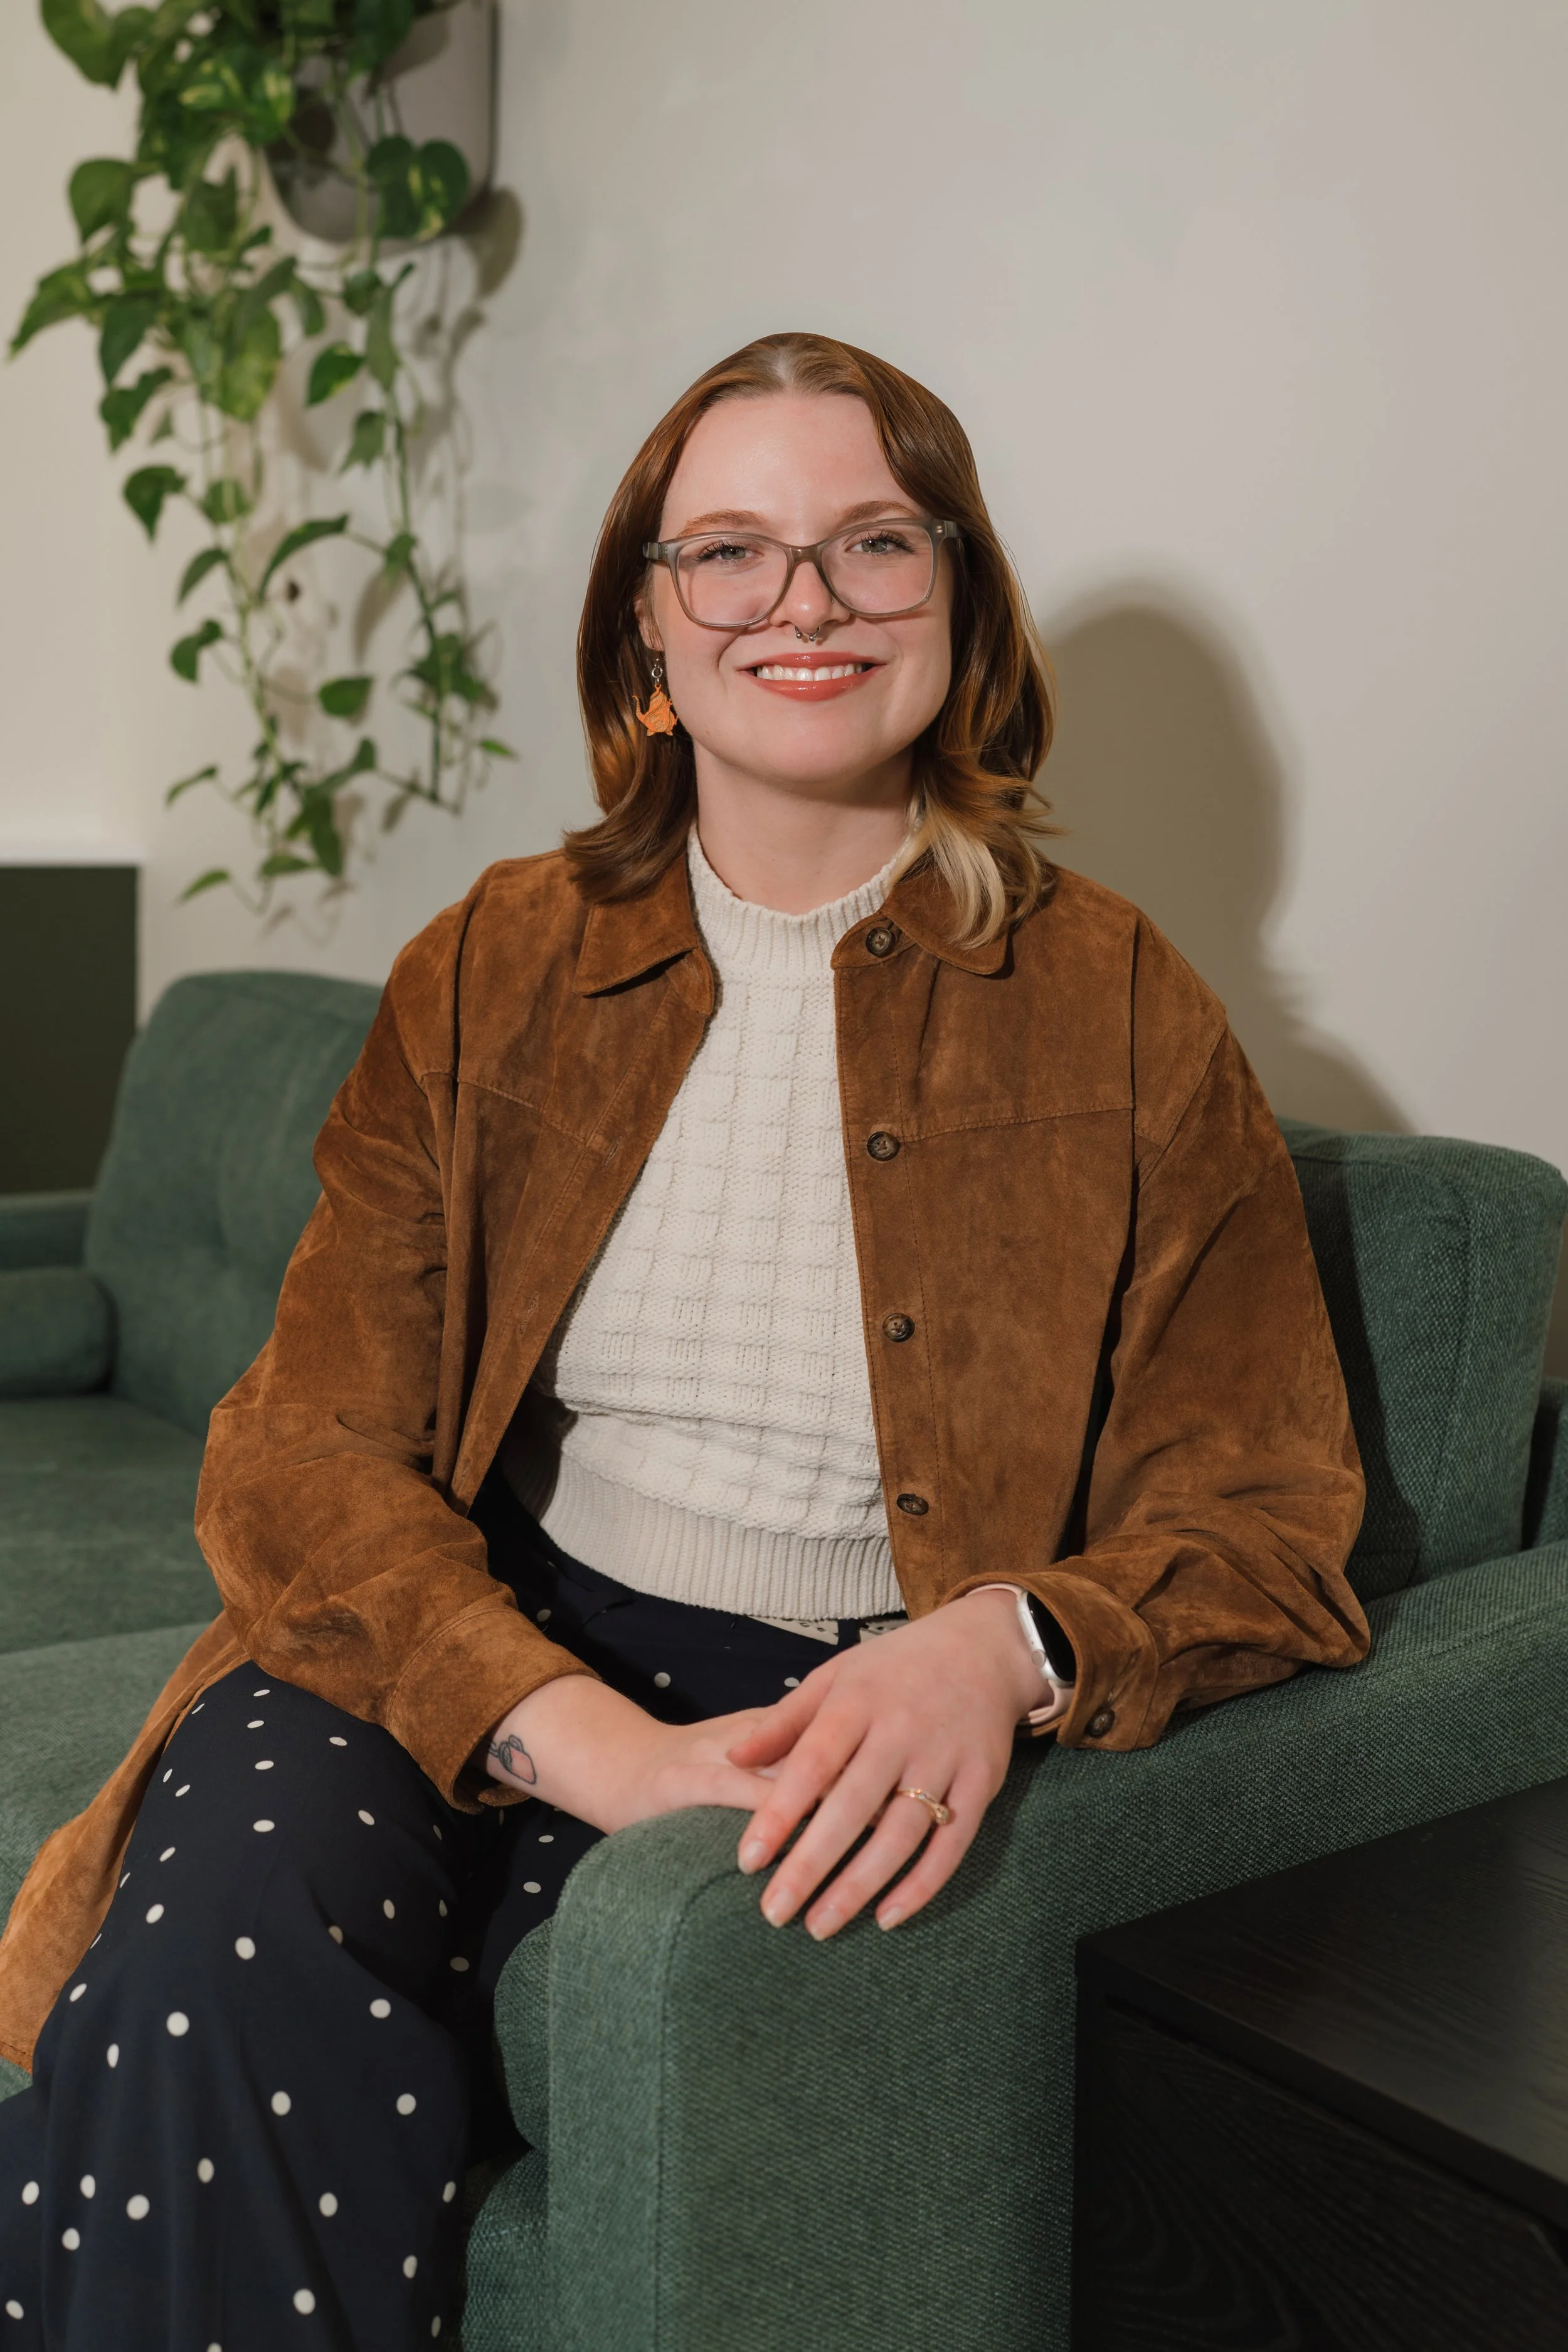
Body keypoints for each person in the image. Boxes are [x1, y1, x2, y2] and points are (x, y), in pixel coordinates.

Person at [0, 331, 1369, 2348]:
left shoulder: (1127, 1010)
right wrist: (577, 1733)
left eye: (870, 545)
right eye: (728, 552)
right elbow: (299, 1452)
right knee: (199, 1961)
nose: (799, 603)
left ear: (959, 609)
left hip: (832, 1705)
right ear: (645, 625)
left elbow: (1270, 1512)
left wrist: (997, 1647)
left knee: (638, 2002)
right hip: (467, 1627)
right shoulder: (491, 962)